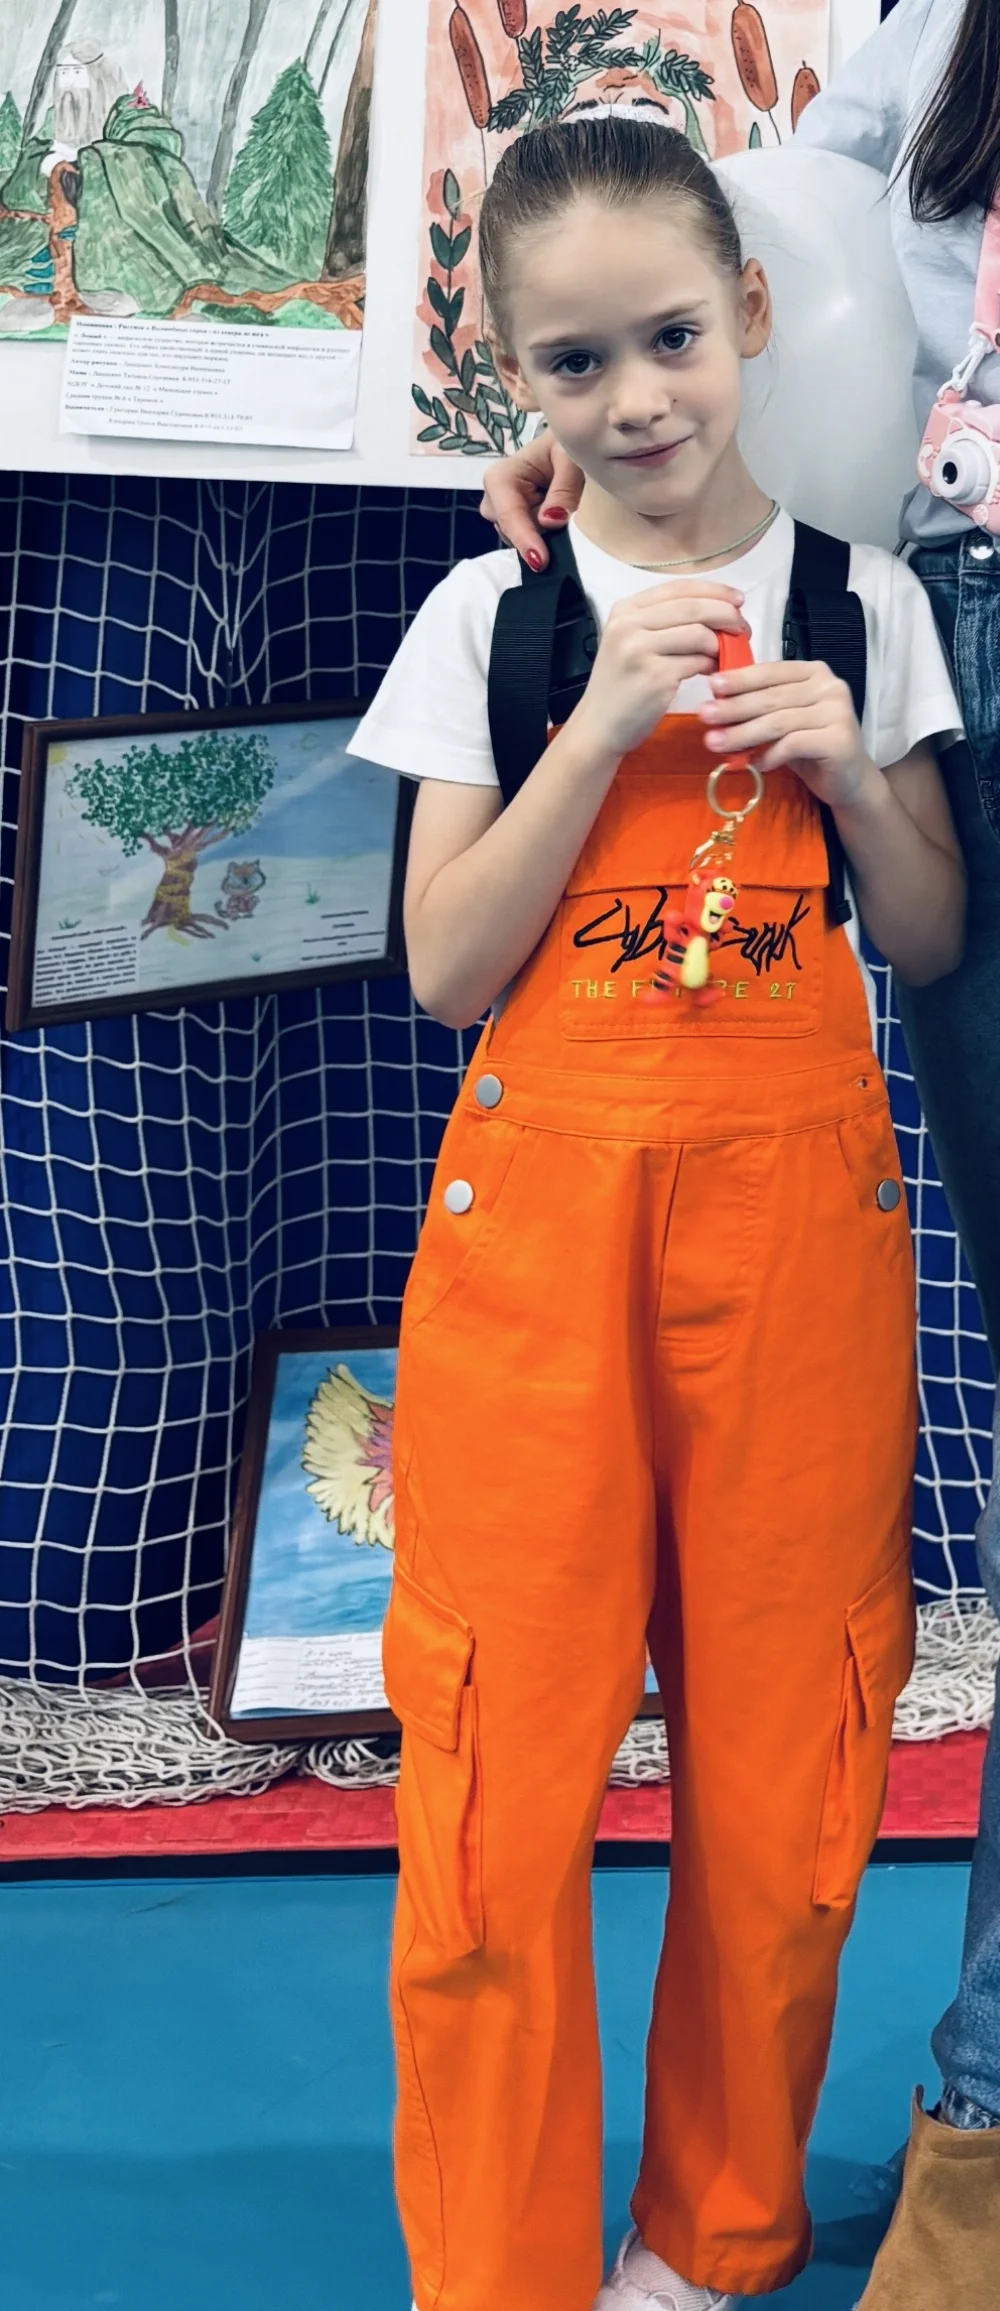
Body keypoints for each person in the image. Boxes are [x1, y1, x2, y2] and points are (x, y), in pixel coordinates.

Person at [353, 113, 965, 2311]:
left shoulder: (865, 603)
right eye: (574, 361)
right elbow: (443, 968)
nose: (632, 399)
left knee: (791, 1763)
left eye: (673, 339)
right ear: (510, 378)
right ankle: (500, 2268)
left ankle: (710, 2236)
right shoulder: (491, 617)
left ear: (752, 317)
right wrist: (593, 727)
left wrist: (849, 772)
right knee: (496, 1756)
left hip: (797, 1250)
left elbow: (924, 935)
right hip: (537, 1252)